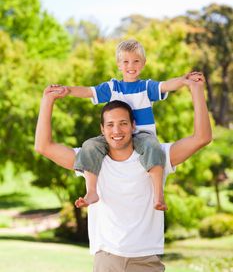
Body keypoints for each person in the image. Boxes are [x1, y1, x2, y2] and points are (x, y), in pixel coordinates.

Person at [35, 73, 212, 272]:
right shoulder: (90, 158)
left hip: (145, 260)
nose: (116, 130)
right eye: (110, 125)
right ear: (102, 129)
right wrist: (47, 100)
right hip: (107, 259)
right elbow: (43, 146)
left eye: (123, 123)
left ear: (133, 126)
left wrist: (196, 90)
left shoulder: (158, 155)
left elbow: (201, 138)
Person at [53, 39, 196, 211]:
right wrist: (67, 90)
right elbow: (88, 91)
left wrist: (184, 80)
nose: (131, 65)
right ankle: (91, 191)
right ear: (119, 65)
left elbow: (167, 85)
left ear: (143, 63)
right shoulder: (112, 87)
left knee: (154, 147)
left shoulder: (147, 87)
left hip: (143, 136)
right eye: (126, 61)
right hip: (115, 136)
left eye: (136, 61)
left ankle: (158, 195)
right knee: (89, 146)